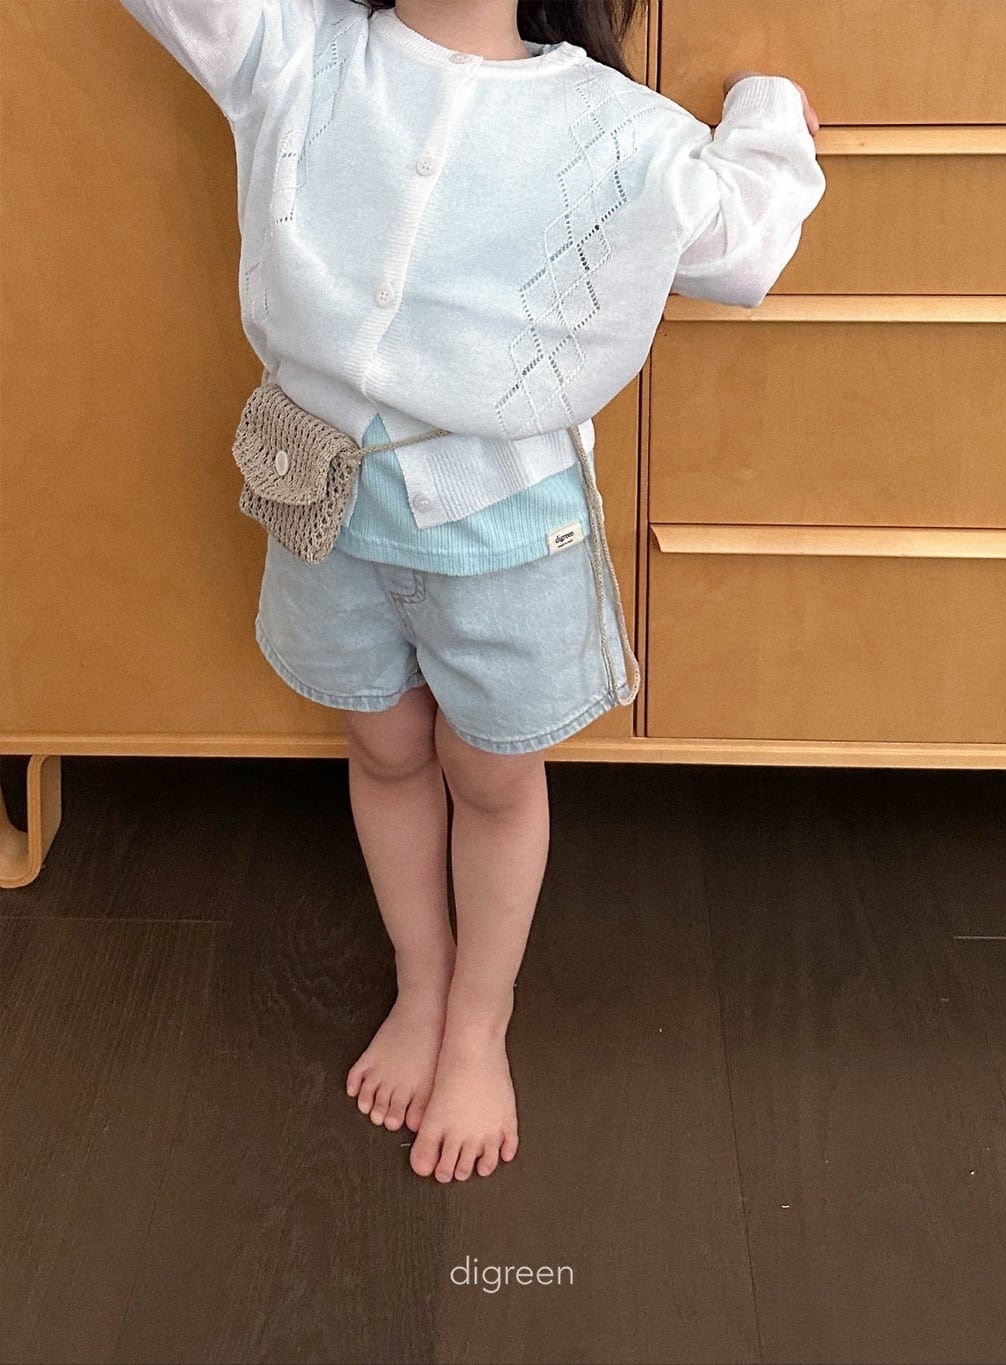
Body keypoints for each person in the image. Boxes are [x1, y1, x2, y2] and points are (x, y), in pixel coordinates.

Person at [116, 0, 826, 1183]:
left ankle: (480, 1025)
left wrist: (765, 113)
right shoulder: (293, 54)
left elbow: (743, 243)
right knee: (384, 744)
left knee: (491, 777)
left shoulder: (618, 129)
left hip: (509, 534)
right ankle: (423, 980)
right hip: (322, 502)